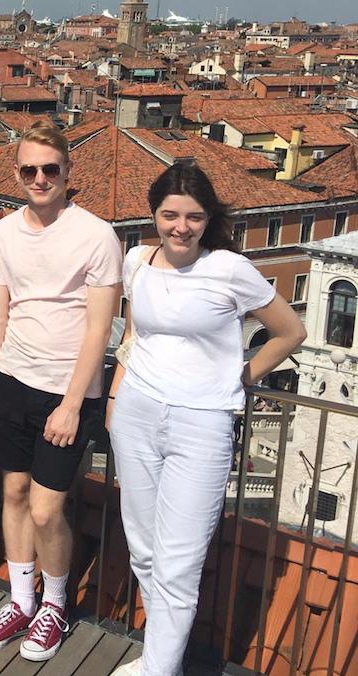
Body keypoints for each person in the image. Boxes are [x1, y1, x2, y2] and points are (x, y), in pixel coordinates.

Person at [106, 163, 304, 676]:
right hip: (136, 413)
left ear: (208, 219)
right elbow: (134, 338)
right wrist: (113, 399)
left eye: (194, 217)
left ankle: (159, 671)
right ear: (153, 214)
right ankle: (157, 655)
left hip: (203, 425)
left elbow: (290, 332)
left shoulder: (230, 269)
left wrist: (239, 378)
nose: (181, 226)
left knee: (178, 563)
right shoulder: (136, 261)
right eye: (170, 214)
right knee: (144, 551)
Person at [0, 123, 121, 662]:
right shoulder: (3, 233)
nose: (39, 178)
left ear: (67, 174)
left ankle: (54, 606)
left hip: (64, 392)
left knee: (46, 509)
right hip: (10, 381)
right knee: (11, 495)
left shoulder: (98, 236)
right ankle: (21, 599)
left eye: (49, 170)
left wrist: (74, 405)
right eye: (29, 170)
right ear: (16, 175)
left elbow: (99, 330)